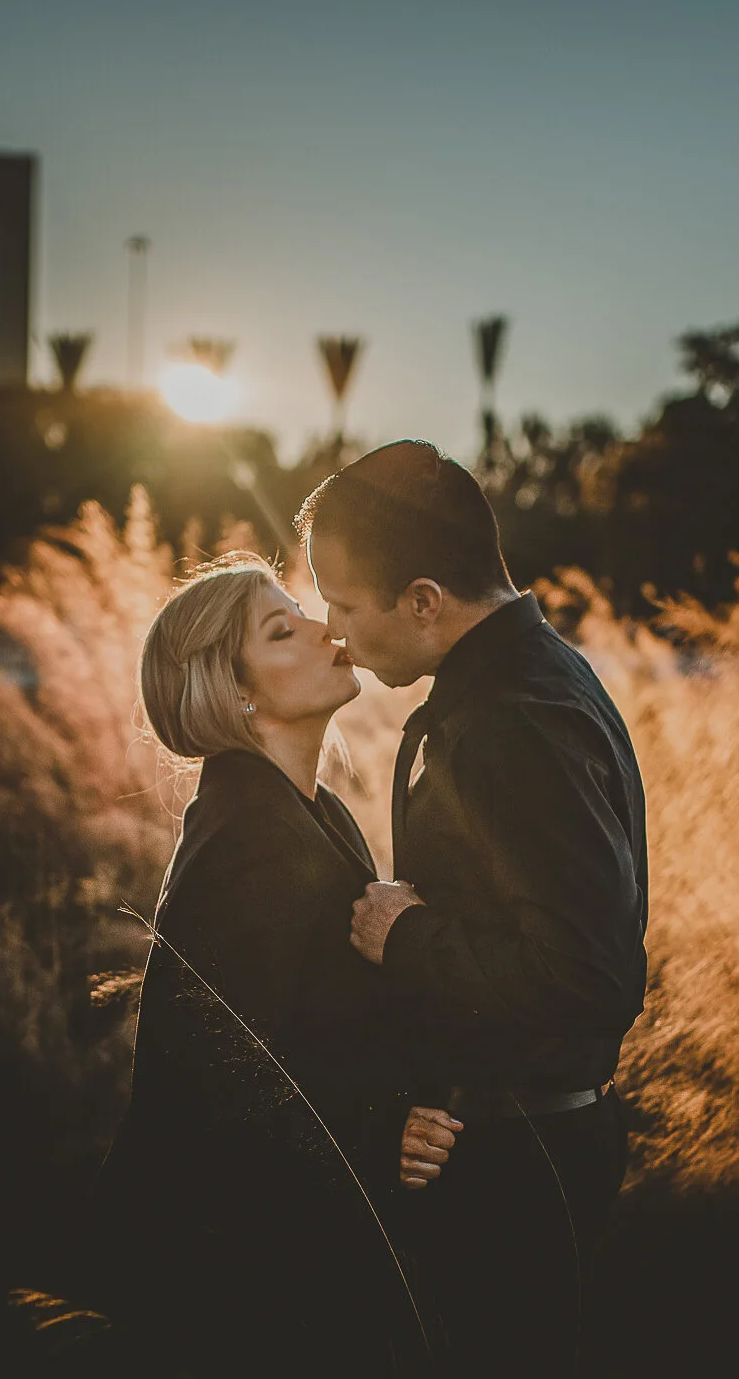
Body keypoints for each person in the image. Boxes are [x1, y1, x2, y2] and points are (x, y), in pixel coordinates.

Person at [299, 439, 648, 1376]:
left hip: (516, 1163)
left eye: (344, 604)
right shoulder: (517, 680)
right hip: (506, 1142)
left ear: (423, 600)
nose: (333, 631)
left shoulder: (513, 720)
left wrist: (405, 938)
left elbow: (590, 979)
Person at [96, 554, 438, 1375]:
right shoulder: (248, 841)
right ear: (235, 693)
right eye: (282, 631)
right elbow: (216, 1083)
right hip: (232, 1283)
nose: (325, 630)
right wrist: (379, 1133)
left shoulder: (309, 812)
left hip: (281, 1252)